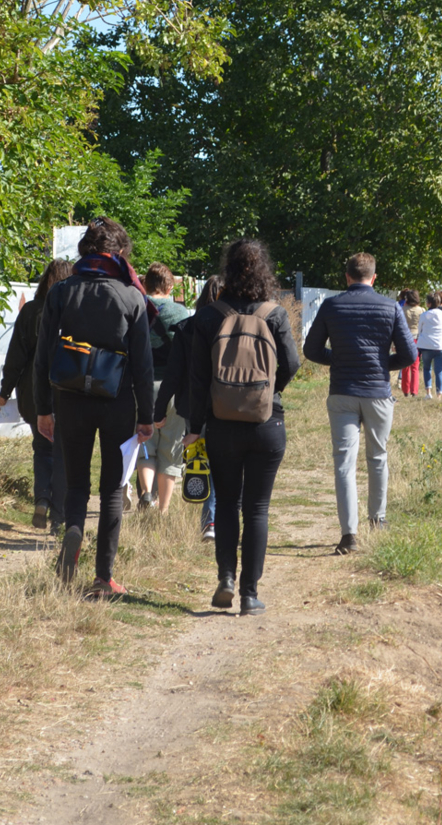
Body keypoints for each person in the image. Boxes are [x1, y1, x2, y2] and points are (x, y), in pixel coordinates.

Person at [34, 217, 154, 598]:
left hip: (69, 400)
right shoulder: (132, 297)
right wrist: (146, 416)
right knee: (113, 489)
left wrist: (43, 409)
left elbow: (42, 356)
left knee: (76, 484)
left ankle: (72, 530)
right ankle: (104, 577)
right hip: (117, 402)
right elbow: (143, 363)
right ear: (119, 254)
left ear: (86, 251)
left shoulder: (62, 291)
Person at [190, 241, 300, 615]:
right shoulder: (275, 315)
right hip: (266, 422)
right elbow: (291, 365)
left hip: (220, 424)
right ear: (264, 272)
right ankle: (250, 594)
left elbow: (197, 378)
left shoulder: (208, 317)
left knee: (227, 504)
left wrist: (194, 425)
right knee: (257, 508)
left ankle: (226, 578)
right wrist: (268, 390)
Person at [303, 252, 416, 555]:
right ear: (374, 277)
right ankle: (377, 520)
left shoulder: (331, 306)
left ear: (347, 277)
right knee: (377, 457)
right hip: (378, 392)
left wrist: (337, 360)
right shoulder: (391, 307)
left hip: (342, 391)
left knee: (344, 463)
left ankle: (348, 534)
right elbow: (409, 355)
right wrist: (382, 365)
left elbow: (311, 349)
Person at [0, 260, 72, 533]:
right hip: (67, 389)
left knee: (42, 449)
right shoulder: (72, 310)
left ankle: (42, 498)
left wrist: (5, 392)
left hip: (33, 391)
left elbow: (15, 357)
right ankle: (59, 516)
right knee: (63, 452)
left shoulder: (30, 311)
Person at [154, 275, 224, 540]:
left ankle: (210, 521)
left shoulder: (187, 327)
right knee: (223, 461)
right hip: (227, 402)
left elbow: (173, 374)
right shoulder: (234, 324)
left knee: (201, 459)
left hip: (192, 404)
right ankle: (216, 519)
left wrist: (159, 410)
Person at [138, 263, 190, 513]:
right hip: (172, 388)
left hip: (140, 386)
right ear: (169, 286)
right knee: (170, 448)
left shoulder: (135, 307)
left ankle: (147, 493)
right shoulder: (179, 312)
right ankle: (164, 510)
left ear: (146, 284)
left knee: (146, 444)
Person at [416, 293, 442, 399]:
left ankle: (428, 393)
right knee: (439, 370)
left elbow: (419, 330)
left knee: (427, 368)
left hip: (426, 344)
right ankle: (439, 395)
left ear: (429, 303)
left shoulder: (424, 315)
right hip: (440, 345)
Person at [400, 289, 424, 397]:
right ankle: (414, 391)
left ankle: (405, 390)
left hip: (405, 338)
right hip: (417, 339)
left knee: (405, 366)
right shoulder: (422, 310)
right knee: (415, 366)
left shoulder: (402, 309)